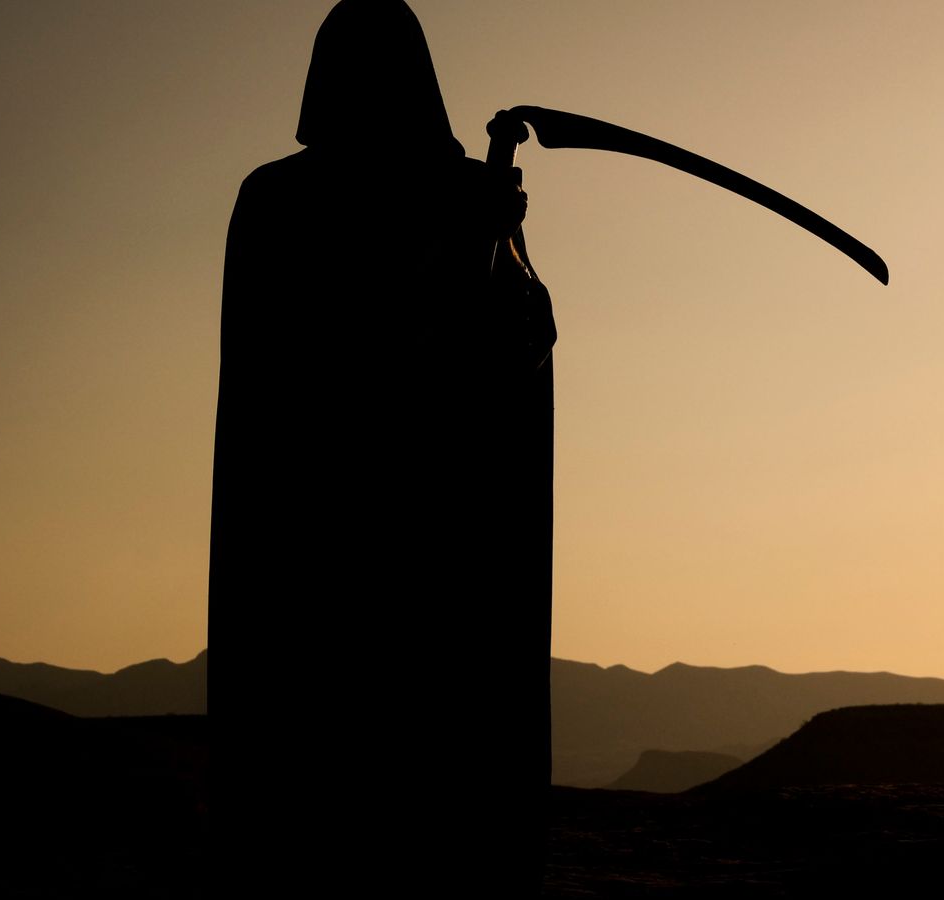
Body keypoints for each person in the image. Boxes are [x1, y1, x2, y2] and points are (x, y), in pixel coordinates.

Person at [209, 0, 551, 891]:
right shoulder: (278, 201)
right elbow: (301, 359)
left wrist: (502, 248)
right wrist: (459, 253)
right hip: (314, 536)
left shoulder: (463, 195)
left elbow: (522, 342)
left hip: (441, 542)